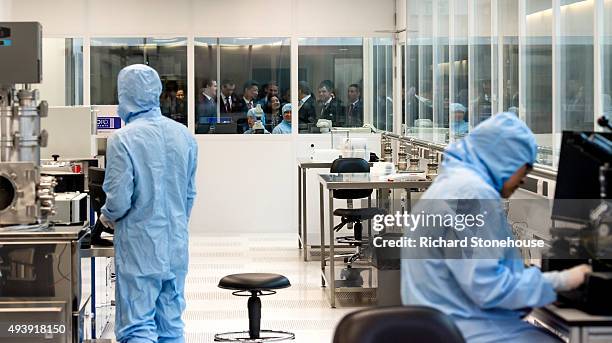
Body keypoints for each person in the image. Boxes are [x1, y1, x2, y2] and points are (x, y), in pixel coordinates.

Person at [401, 112, 591, 343]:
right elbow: (488, 287)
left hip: (446, 324)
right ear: (505, 160)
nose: (523, 178)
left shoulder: (456, 184)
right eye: (525, 167)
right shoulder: (473, 194)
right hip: (469, 329)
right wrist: (565, 280)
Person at [99, 64, 198, 343]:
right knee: (170, 324)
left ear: (125, 94)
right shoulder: (184, 135)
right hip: (176, 243)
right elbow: (189, 195)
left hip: (140, 244)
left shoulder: (123, 139)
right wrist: (174, 223)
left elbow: (118, 201)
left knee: (138, 325)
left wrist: (106, 218)